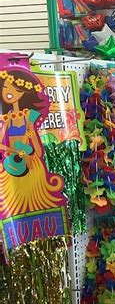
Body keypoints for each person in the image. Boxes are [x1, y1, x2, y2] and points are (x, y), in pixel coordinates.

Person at [0, 68, 64, 218]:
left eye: (15, 89)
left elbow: (39, 151)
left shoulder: (29, 116)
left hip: (31, 164)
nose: (8, 92)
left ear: (23, 93)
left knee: (34, 200)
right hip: (12, 164)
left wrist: (31, 135)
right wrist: (14, 151)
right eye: (5, 87)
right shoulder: (7, 118)